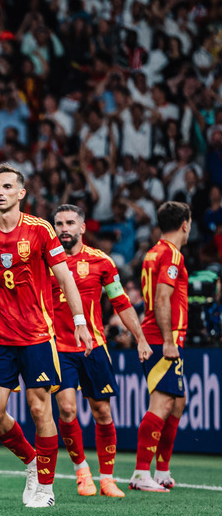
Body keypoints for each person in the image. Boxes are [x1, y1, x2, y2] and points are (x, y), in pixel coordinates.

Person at [0, 163, 93, 509]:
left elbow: (65, 278)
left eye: (7, 187)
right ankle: (32, 461)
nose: (0, 192)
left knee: (40, 409)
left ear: (21, 193)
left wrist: (79, 321)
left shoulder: (40, 230)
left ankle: (45, 488)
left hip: (38, 336)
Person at [50, 205, 152, 498]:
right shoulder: (45, 262)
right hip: (59, 347)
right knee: (67, 409)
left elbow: (121, 302)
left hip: (93, 346)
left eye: (70, 223)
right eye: (59, 224)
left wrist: (140, 338)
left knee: (103, 412)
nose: (64, 229)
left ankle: (107, 479)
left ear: (82, 228)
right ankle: (82, 471)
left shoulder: (101, 261)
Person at [130, 201, 191, 492]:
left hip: (159, 335)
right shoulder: (172, 254)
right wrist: (168, 341)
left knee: (177, 402)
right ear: (185, 224)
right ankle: (141, 473)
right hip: (162, 338)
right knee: (163, 403)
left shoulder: (153, 252)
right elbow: (162, 298)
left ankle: (162, 471)